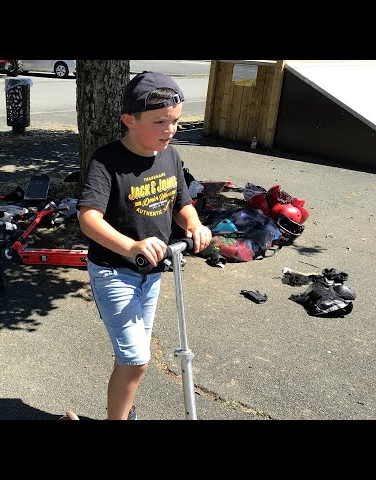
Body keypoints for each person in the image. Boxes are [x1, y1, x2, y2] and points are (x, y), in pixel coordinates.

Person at [76, 71, 213, 419]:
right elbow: (88, 218)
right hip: (114, 271)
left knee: (134, 355)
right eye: (160, 122)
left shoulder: (170, 156)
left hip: (153, 272)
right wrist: (130, 245)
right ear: (129, 120)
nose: (170, 129)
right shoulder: (107, 162)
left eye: (176, 121)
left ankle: (125, 407)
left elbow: (181, 204)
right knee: (135, 360)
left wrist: (194, 224)